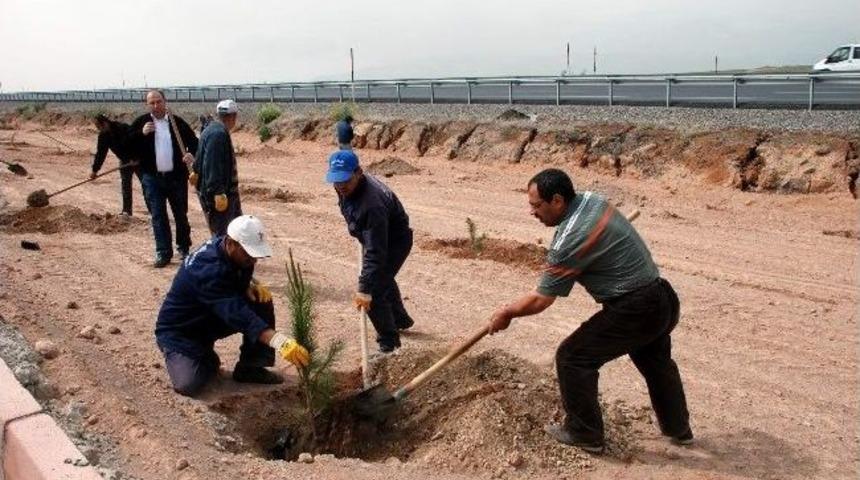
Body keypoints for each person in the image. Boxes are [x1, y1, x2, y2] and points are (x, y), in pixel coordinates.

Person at [487, 168, 692, 454]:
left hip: (636, 307)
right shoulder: (592, 200)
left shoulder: (569, 240)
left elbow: (542, 300)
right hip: (661, 297)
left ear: (557, 200)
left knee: (573, 357)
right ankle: (679, 429)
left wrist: (507, 312)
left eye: (536, 206)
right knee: (656, 363)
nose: (531, 212)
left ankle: (585, 433)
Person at [155, 215, 310, 397]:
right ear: (231, 243)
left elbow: (231, 285)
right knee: (189, 384)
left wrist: (247, 286)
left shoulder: (233, 253)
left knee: (260, 300)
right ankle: (198, 356)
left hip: (208, 318)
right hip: (181, 333)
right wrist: (280, 342)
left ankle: (251, 367)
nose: (253, 261)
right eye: (249, 254)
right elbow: (238, 315)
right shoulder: (207, 270)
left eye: (255, 255)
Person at [326, 150, 414, 353]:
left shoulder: (372, 205)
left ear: (358, 172)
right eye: (336, 180)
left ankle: (389, 344)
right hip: (376, 234)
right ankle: (399, 319)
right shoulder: (346, 188)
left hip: (393, 242)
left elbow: (376, 252)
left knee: (373, 288)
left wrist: (364, 288)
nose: (340, 186)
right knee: (383, 277)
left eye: (345, 180)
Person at [126, 90, 199, 268]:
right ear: (147, 105)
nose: (156, 106)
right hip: (152, 178)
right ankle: (163, 252)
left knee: (181, 214)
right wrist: (140, 134)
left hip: (176, 177)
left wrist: (191, 156)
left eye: (159, 102)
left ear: (165, 102)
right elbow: (126, 147)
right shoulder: (141, 123)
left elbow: (195, 144)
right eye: (152, 103)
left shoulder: (177, 123)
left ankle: (183, 247)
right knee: (158, 216)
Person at [192, 99, 241, 236]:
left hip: (219, 193)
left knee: (231, 233)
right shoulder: (218, 134)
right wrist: (218, 193)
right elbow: (213, 164)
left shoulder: (210, 129)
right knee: (224, 236)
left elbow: (201, 157)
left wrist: (196, 171)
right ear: (233, 116)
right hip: (222, 196)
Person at [89, 114, 141, 216]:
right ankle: (127, 211)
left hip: (138, 160)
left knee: (146, 184)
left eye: (99, 127)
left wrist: (137, 157)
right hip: (124, 162)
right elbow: (101, 154)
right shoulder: (103, 136)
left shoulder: (122, 128)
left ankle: (154, 209)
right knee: (126, 186)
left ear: (105, 123)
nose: (99, 129)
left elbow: (138, 141)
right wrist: (95, 170)